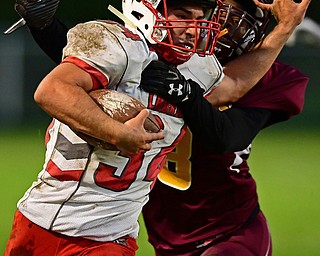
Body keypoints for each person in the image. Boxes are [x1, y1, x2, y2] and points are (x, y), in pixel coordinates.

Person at [5, 0, 310, 255]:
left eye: (200, 17)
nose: (195, 27)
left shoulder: (206, 69)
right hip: (45, 214)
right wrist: (117, 133)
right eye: (182, 15)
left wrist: (284, 28)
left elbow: (230, 102)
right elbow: (57, 86)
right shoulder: (115, 43)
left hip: (133, 233)